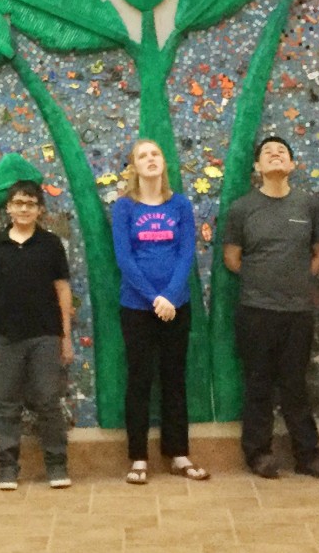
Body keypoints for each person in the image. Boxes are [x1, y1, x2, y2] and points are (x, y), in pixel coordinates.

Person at [223, 136, 319, 480]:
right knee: (258, 384)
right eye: (267, 153)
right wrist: (264, 279)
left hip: (298, 312)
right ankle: (258, 454)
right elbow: (232, 258)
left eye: (282, 152)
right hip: (255, 310)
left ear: (292, 165)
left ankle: (308, 456)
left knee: (296, 386)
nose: (275, 155)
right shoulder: (242, 208)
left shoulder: (308, 205)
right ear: (257, 167)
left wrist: (301, 280)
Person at [110, 138, 208, 484]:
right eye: (142, 156)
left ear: (164, 163)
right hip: (137, 308)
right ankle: (138, 457)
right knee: (139, 381)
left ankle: (178, 454)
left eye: (155, 154)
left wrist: (170, 296)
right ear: (134, 167)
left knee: (174, 380)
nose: (150, 159)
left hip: (176, 307)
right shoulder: (124, 208)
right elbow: (125, 259)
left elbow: (185, 255)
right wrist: (154, 298)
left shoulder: (179, 205)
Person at [0, 179, 73, 490]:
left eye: (30, 204)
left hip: (45, 336)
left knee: (47, 401)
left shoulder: (51, 245)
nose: (23, 209)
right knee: (7, 403)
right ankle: (8, 467)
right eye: (18, 203)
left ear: (40, 210)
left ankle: (57, 465)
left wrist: (66, 337)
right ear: (8, 208)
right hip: (5, 337)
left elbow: (63, 290)